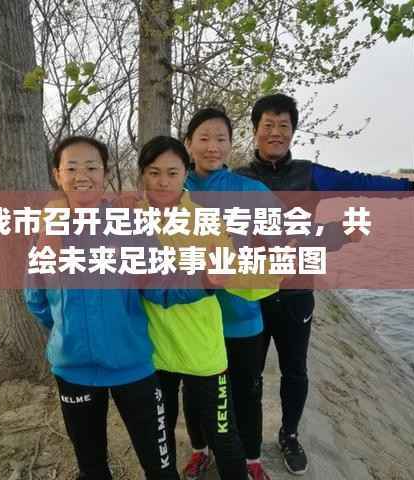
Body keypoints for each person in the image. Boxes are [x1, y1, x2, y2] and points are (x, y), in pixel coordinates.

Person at [234, 93, 414, 475]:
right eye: (268, 125)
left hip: (297, 292)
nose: (276, 132)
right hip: (250, 294)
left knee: (295, 371)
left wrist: (407, 188)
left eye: (284, 126)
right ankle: (247, 439)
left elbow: (359, 183)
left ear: (293, 132)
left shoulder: (309, 174)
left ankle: (289, 435)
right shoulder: (237, 179)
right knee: (248, 374)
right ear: (255, 130)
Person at [25, 135, 212, 480]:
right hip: (74, 372)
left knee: (160, 467)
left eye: (92, 166)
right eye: (71, 167)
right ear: (57, 175)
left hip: (133, 367)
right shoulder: (47, 229)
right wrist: (67, 332)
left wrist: (206, 280)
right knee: (92, 468)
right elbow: (36, 296)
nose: (82, 175)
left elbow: (160, 283)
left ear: (106, 173)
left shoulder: (130, 225)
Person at [137, 135, 273, 480]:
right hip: (153, 350)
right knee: (158, 435)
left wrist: (277, 268)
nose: (163, 182)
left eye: (172, 172)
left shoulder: (206, 220)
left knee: (224, 435)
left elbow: (236, 272)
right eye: (154, 172)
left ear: (186, 174)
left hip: (202, 349)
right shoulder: (129, 219)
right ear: (142, 175)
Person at [181, 107, 275, 480]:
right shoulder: (174, 190)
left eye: (221, 139)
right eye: (203, 138)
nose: (212, 147)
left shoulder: (251, 190)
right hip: (191, 317)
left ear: (231, 145)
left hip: (242, 317)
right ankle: (200, 450)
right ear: (188, 143)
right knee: (195, 391)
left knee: (246, 391)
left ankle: (251, 457)